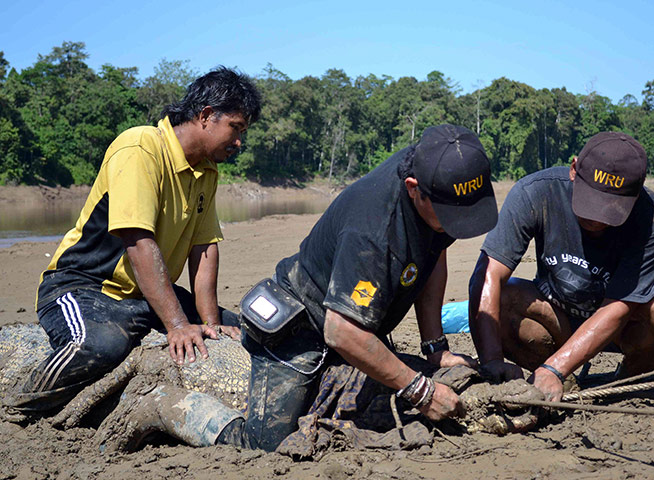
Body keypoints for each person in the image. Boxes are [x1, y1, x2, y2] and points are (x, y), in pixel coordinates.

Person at [96, 124, 499, 452]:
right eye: (448, 216)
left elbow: (432, 259)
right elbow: (340, 331)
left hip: (357, 321)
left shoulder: (440, 170)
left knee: (397, 392)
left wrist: (435, 348)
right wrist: (420, 390)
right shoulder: (374, 230)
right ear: (413, 187)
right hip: (299, 327)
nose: (452, 228)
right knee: (266, 444)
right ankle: (164, 404)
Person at [6, 67, 262, 413]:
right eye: (236, 128)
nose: (238, 142)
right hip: (84, 287)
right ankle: (19, 401)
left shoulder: (206, 169)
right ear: (206, 116)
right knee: (101, 347)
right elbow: (138, 240)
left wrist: (211, 324)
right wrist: (177, 325)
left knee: (253, 331)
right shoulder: (140, 147)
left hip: (145, 296)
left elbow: (204, 250)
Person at [468, 131, 654, 402]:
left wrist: (555, 367)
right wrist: (491, 360)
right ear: (574, 169)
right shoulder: (536, 191)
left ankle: (622, 383)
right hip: (557, 317)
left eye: (610, 208)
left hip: (620, 327)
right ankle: (563, 381)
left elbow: (620, 307)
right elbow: (489, 272)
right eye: (590, 202)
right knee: (501, 296)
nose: (595, 218)